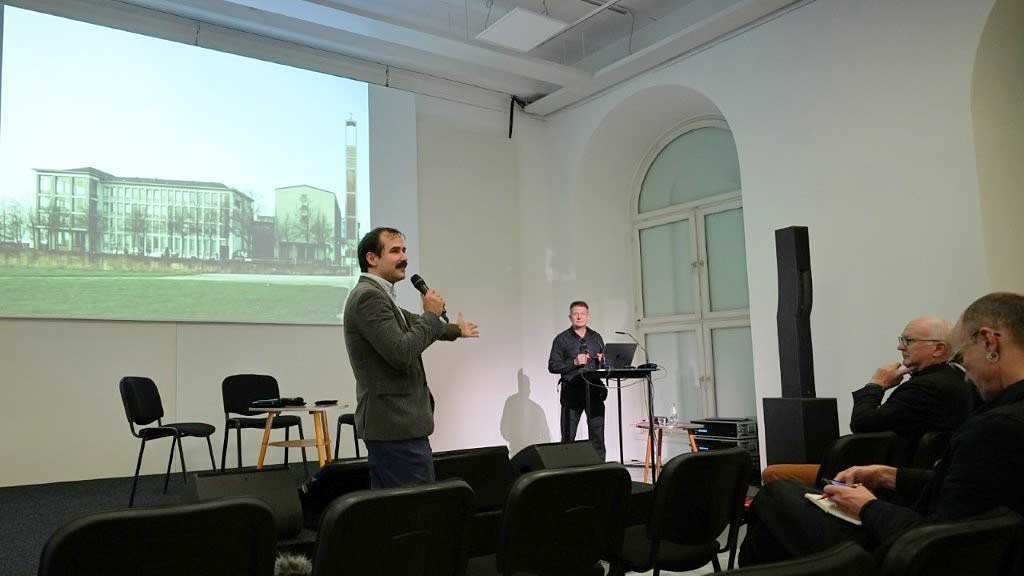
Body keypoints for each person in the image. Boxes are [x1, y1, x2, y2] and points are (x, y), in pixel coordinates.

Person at [739, 292, 1024, 567]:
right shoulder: (998, 413)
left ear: (989, 343)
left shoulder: (994, 429)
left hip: (904, 555)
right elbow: (960, 486)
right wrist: (888, 475)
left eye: (961, 357)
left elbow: (942, 544)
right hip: (922, 533)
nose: (966, 373)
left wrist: (867, 507)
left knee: (775, 494)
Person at [762, 316, 977, 484]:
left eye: (909, 341)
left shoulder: (924, 388)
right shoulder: (958, 379)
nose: (900, 347)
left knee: (772, 473)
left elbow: (863, 423)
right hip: (912, 475)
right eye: (901, 340)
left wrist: (876, 385)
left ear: (938, 349)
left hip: (882, 480)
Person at [343, 226, 479, 488]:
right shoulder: (368, 297)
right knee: (414, 507)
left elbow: (414, 323)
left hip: (399, 427)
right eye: (395, 251)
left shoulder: (379, 295)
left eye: (404, 250)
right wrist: (431, 315)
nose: (404, 257)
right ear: (372, 258)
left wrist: (456, 330)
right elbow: (402, 352)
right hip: (395, 426)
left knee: (400, 506)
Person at [548, 301, 607, 460]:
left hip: (594, 390)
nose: (579, 317)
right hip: (572, 392)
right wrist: (574, 362)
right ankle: (567, 470)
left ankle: (600, 469)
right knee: (568, 437)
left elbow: (603, 365)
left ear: (588, 316)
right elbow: (553, 366)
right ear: (570, 317)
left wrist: (602, 361)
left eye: (582, 314)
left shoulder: (596, 337)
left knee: (597, 435)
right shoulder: (561, 339)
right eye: (575, 314)